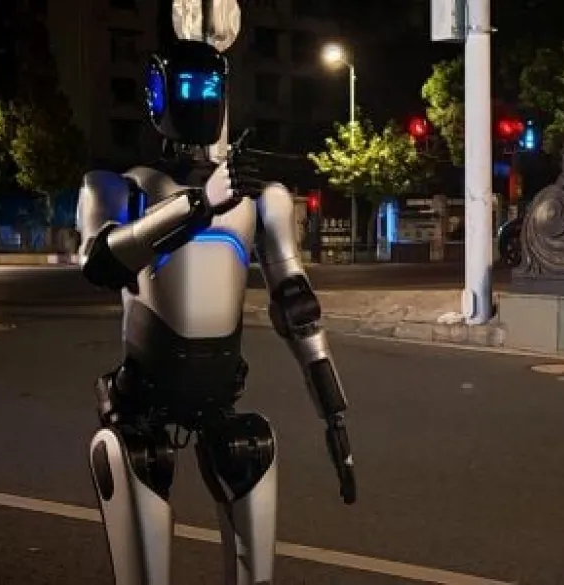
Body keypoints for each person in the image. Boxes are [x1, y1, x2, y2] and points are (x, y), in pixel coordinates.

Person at [75, 38, 356, 585]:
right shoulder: (120, 188)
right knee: (139, 476)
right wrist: (198, 204)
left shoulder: (259, 198)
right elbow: (101, 262)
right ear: (158, 94)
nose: (199, 99)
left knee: (252, 455)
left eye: (209, 88)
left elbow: (298, 308)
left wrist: (334, 416)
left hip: (221, 396)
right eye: (186, 86)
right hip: (142, 399)